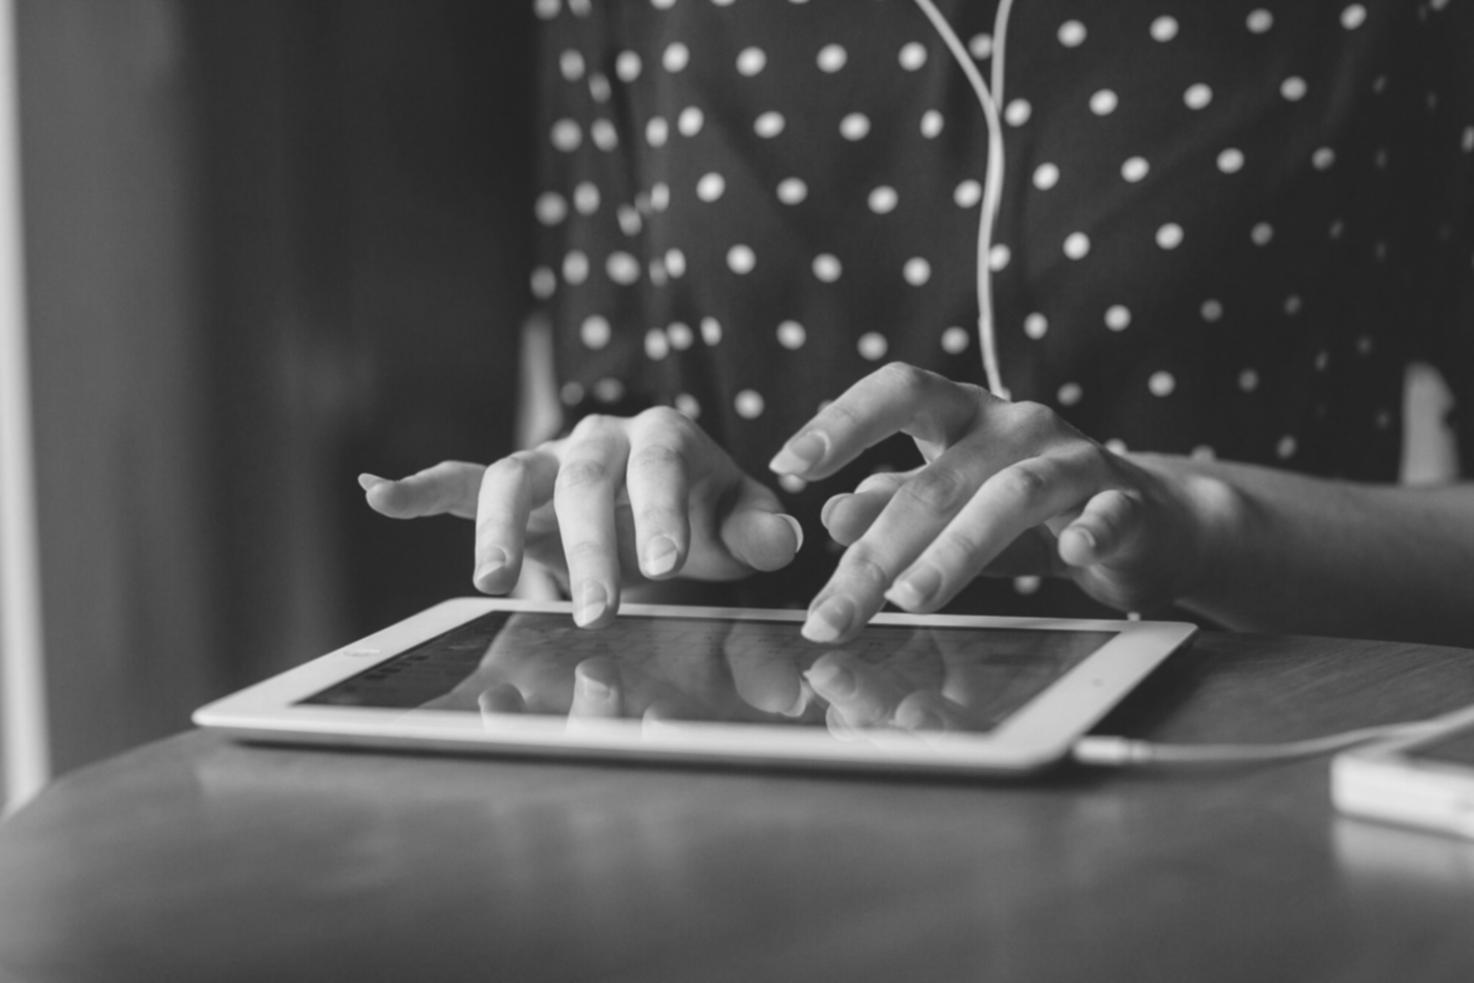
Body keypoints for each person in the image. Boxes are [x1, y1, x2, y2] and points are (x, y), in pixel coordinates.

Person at [360, 0, 1474, 647]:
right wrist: (634, 526)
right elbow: (606, 416)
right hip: (760, 830)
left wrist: (1203, 520)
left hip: (1251, 794)